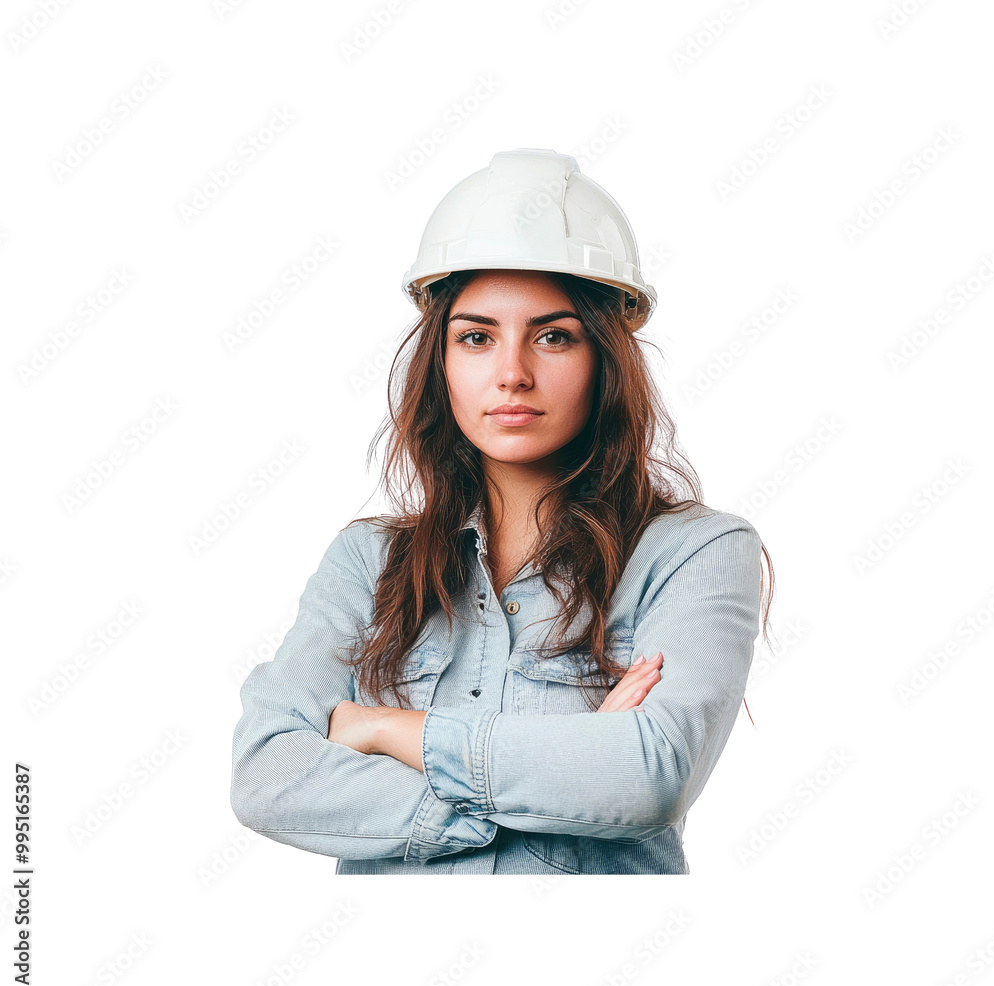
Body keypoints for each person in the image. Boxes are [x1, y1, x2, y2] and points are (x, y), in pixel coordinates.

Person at [230, 148, 775, 874]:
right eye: (477, 337)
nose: (512, 373)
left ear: (605, 358)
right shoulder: (367, 563)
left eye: (553, 336)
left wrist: (388, 730)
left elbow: (648, 778)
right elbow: (267, 775)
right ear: (442, 360)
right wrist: (556, 782)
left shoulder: (697, 554)